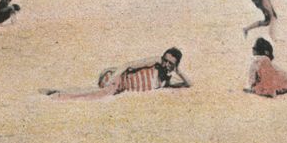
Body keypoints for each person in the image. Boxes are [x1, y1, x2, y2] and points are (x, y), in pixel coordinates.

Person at [42, 48, 191, 100]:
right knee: (97, 95)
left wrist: (178, 71)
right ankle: (58, 96)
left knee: (94, 92)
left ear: (175, 65)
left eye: (170, 63)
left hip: (119, 87)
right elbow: (128, 65)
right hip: (117, 78)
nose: (166, 64)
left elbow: (188, 84)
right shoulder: (155, 62)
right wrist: (113, 78)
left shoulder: (166, 82)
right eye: (165, 60)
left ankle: (58, 91)